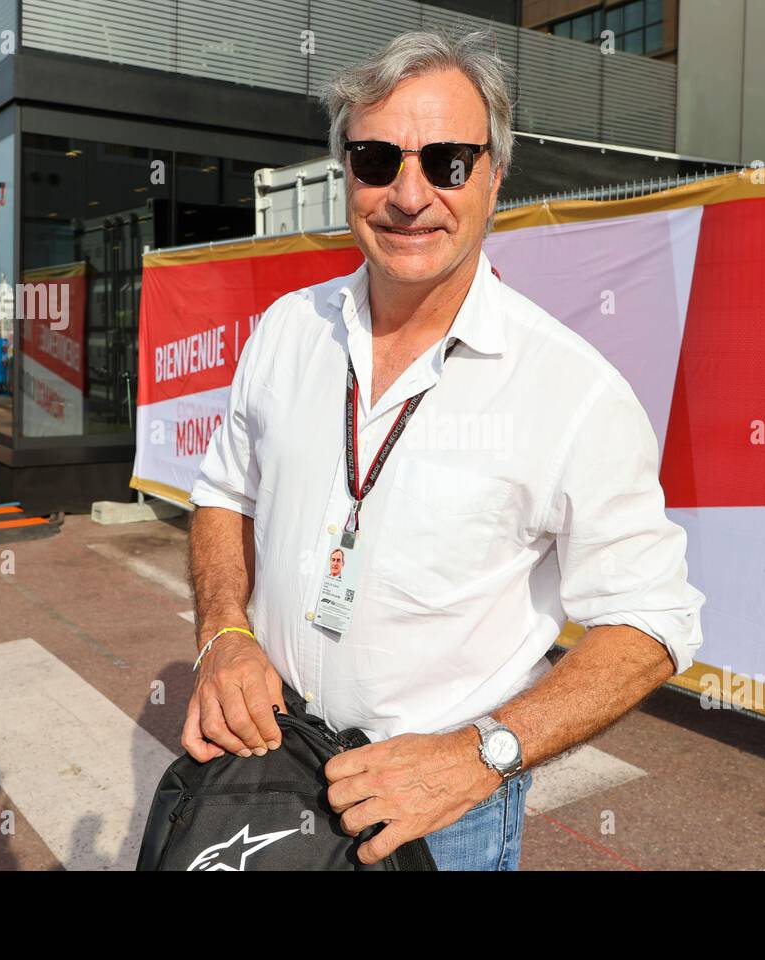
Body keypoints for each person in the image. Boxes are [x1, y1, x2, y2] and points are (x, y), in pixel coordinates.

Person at [185, 30, 705, 872]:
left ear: (495, 176)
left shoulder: (574, 390)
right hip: (266, 763)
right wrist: (222, 635)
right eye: (378, 159)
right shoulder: (287, 330)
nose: (409, 194)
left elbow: (653, 621)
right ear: (346, 173)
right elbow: (223, 493)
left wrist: (481, 754)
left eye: (449, 162)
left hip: (440, 817)